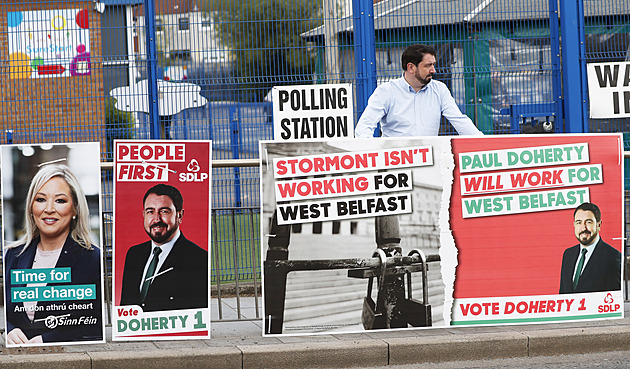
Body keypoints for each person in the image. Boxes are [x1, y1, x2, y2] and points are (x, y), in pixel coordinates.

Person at [3, 164, 103, 345]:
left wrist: (47, 340)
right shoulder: (13, 255)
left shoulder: (92, 258)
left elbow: (96, 325)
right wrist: (9, 330)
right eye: (41, 199)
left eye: (60, 201)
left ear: (75, 209)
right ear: (31, 207)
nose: (49, 209)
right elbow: (9, 314)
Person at [354, 44, 484, 137]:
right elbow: (365, 126)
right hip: (395, 162)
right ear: (411, 67)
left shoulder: (439, 89)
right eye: (428, 65)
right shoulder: (386, 92)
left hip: (430, 160)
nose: (434, 70)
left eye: (433, 64)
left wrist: (483, 142)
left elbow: (459, 119)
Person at [120, 184, 208, 311]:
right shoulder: (134, 254)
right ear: (144, 215)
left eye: (164, 211)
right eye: (150, 211)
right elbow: (126, 306)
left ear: (180, 215)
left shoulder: (198, 259)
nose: (156, 219)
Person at [559, 202, 621, 294]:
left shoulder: (613, 257)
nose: (583, 228)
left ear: (598, 225)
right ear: (574, 225)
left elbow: (614, 300)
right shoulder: (568, 254)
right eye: (579, 222)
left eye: (588, 222)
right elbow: (563, 294)